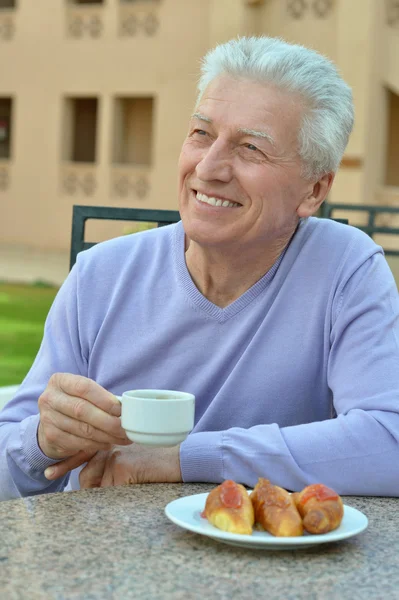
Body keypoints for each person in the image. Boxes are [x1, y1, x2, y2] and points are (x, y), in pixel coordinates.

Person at [1, 36, 399, 501]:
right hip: (105, 558)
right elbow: (10, 470)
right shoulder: (100, 276)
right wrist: (42, 444)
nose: (209, 168)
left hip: (271, 565)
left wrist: (183, 459)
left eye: (251, 148)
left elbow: (388, 442)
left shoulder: (344, 268)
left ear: (314, 190)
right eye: (201, 134)